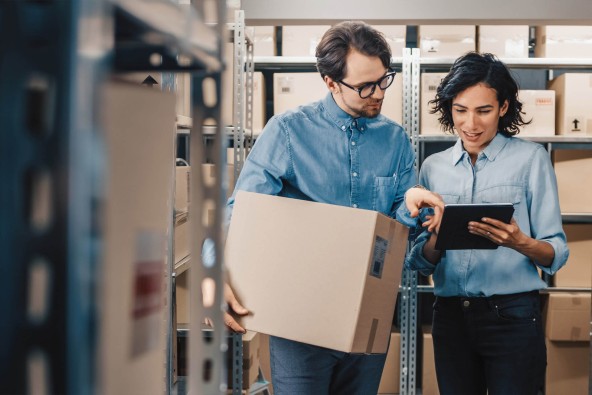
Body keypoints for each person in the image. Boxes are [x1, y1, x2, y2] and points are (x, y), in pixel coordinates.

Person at [221, 21, 444, 395]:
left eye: (383, 80)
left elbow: (399, 236)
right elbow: (241, 211)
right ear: (330, 82)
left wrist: (410, 207)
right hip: (300, 322)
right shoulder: (289, 132)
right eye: (364, 87)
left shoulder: (395, 141)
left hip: (367, 318)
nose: (378, 94)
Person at [405, 52, 569, 395]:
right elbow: (420, 263)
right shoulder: (433, 168)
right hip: (450, 317)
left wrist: (518, 241)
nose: (471, 124)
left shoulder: (531, 160)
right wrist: (436, 235)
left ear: (504, 107)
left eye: (484, 110)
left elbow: (556, 253)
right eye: (460, 110)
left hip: (512, 315)